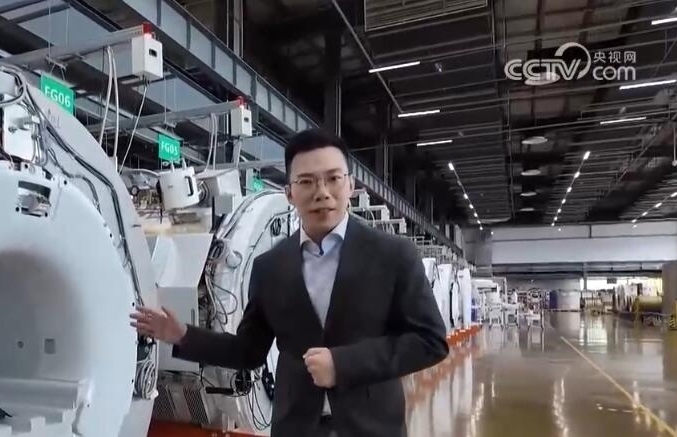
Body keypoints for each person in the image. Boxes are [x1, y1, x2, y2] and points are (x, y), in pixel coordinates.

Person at [130, 128, 449, 437]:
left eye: (333, 178)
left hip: (372, 427)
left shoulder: (393, 255)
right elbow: (248, 352)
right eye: (306, 181)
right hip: (296, 427)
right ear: (289, 193)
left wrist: (343, 364)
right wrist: (182, 335)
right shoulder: (269, 267)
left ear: (350, 185)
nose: (322, 192)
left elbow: (430, 341)